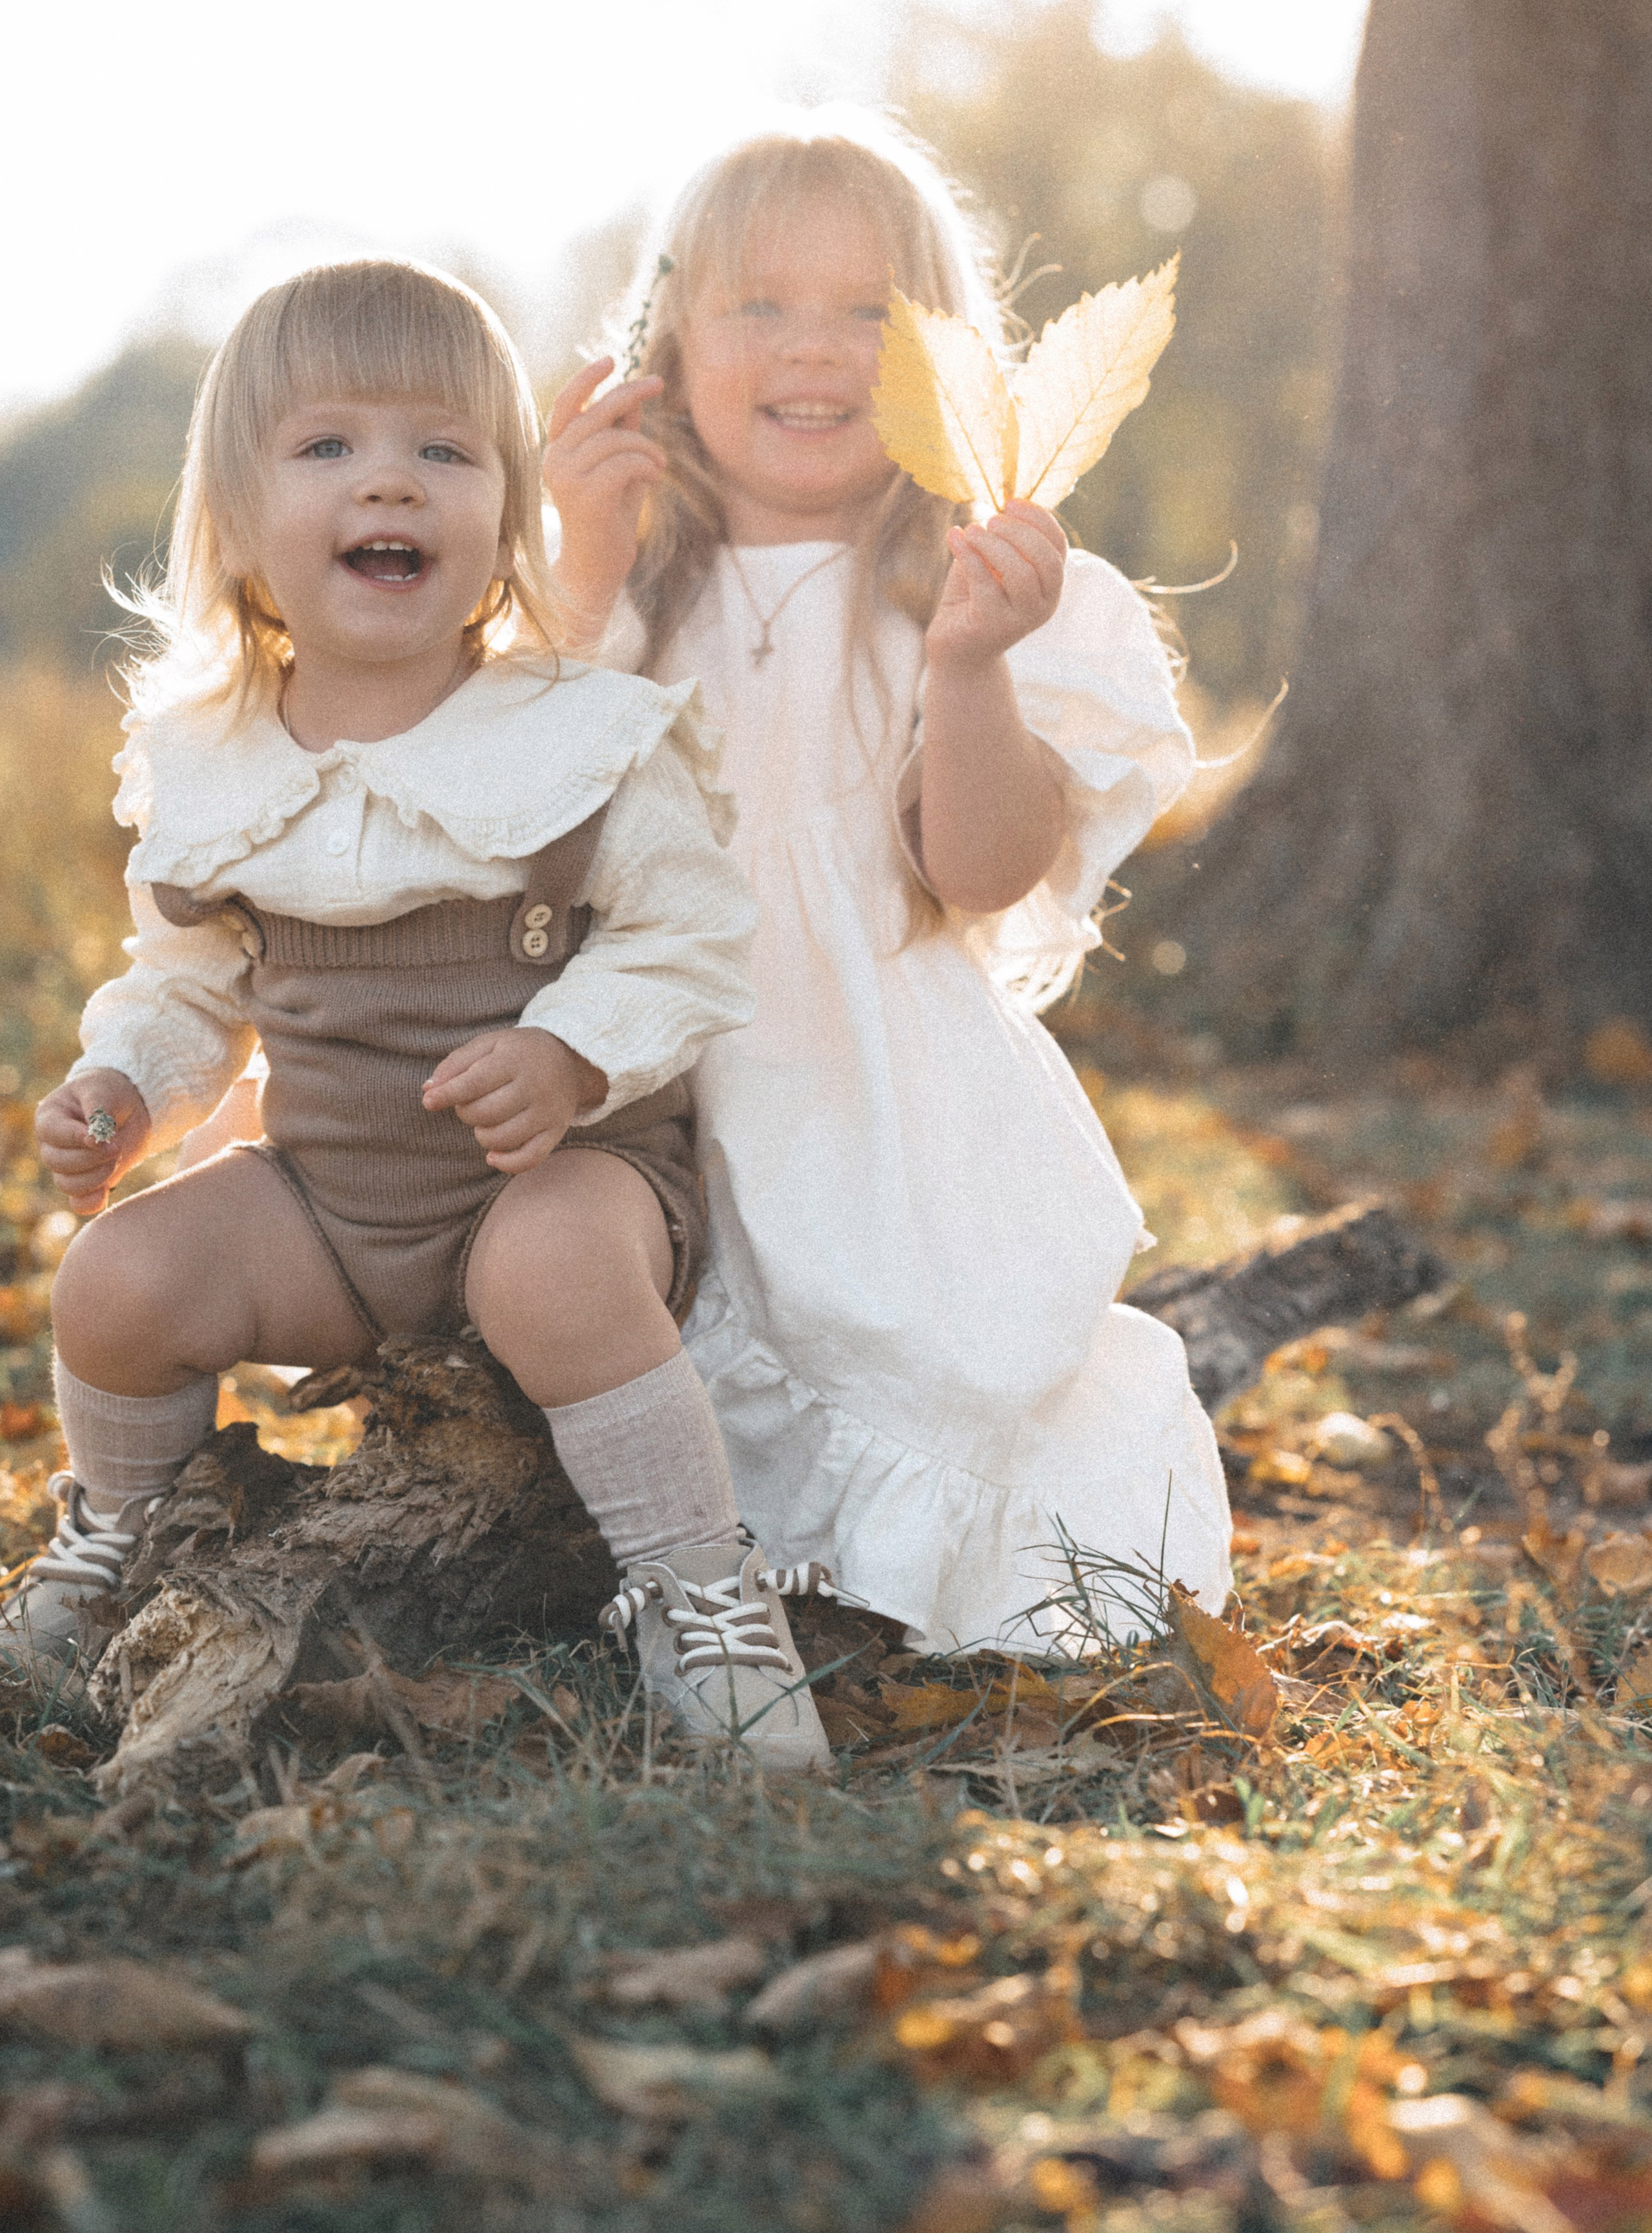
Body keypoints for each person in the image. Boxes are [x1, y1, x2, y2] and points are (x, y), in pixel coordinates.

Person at [16, 258, 833, 1772]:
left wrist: (566, 1048)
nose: (389, 479)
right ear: (243, 520)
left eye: (442, 451)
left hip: (559, 1181)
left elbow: (691, 933)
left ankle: (702, 1596)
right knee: (116, 1282)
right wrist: (128, 1085)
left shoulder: (574, 733)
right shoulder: (217, 760)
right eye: (328, 446)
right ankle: (122, 1531)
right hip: (331, 1209)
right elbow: (189, 981)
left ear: (505, 516)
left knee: (552, 1264)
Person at [542, 111, 1233, 1654]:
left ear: (948, 366)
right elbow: (519, 812)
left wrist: (971, 670)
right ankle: (694, 1552)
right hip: (655, 1079)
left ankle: (863, 1579)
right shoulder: (621, 587)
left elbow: (977, 874)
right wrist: (580, 563)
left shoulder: (955, 591)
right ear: (663, 343)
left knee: (939, 1355)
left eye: (872, 312)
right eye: (759, 304)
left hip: (874, 1083)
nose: (816, 347)